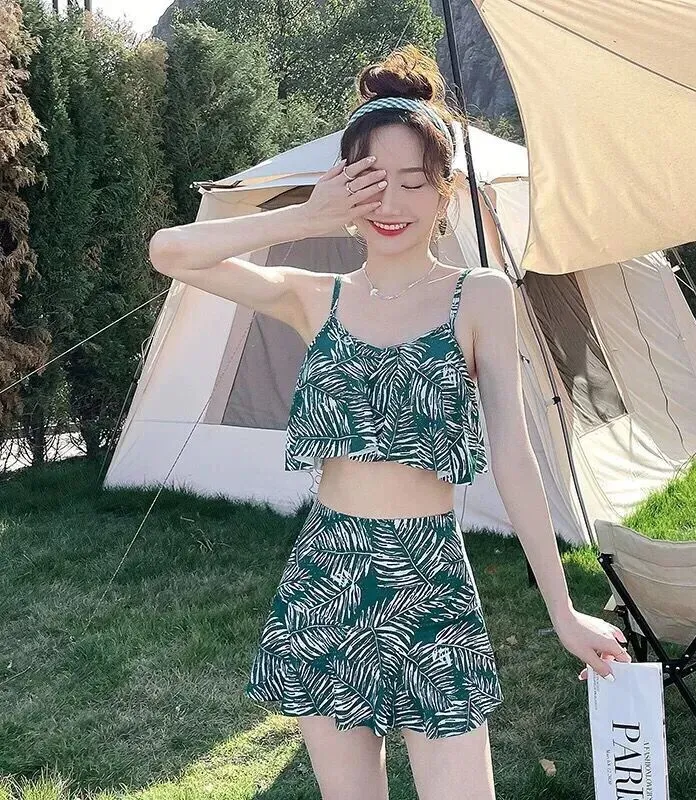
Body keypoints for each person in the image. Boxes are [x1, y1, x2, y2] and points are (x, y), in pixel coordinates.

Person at [149, 43, 630, 800]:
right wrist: (307, 213)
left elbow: (514, 454)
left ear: (444, 194)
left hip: (431, 581)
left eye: (414, 182)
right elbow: (170, 252)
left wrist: (562, 610)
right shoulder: (316, 296)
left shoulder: (481, 296)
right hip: (326, 579)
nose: (393, 204)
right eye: (373, 183)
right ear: (347, 188)